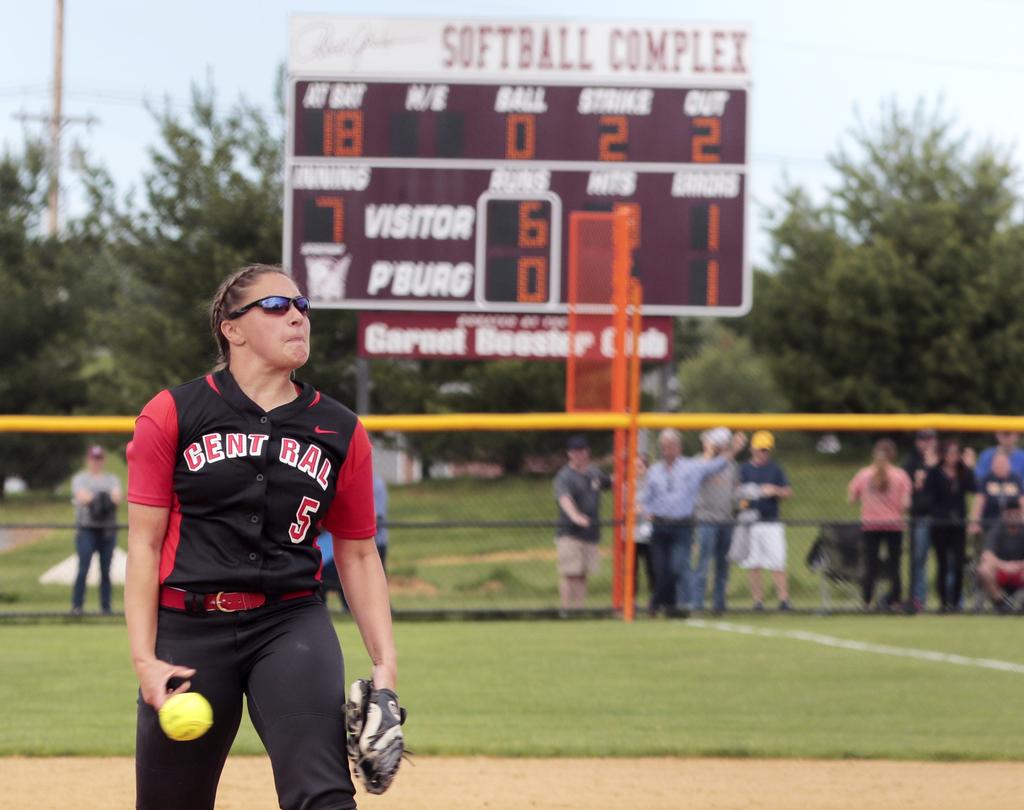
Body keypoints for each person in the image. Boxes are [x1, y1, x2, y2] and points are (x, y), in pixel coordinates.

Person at [125, 264, 397, 810]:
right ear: (233, 328)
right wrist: (144, 660)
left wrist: (385, 668)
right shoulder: (174, 412)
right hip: (189, 629)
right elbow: (144, 545)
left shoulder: (341, 429)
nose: (297, 315)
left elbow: (360, 555)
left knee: (322, 797)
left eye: (303, 306)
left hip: (289, 623)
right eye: (276, 306)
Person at [640, 428, 746, 617]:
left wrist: (734, 449)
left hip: (682, 524)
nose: (667, 450)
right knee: (661, 569)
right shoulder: (655, 470)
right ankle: (670, 607)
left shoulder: (691, 467)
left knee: (678, 566)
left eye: (671, 446)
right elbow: (647, 497)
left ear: (679, 448)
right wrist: (647, 511)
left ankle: (665, 604)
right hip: (660, 524)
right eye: (664, 447)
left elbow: (718, 464)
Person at [847, 439, 912, 611]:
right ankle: (895, 602)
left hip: (870, 526)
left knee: (870, 565)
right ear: (893, 455)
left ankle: (867, 602)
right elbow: (906, 504)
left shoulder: (863, 474)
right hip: (894, 526)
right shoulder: (900, 475)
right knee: (894, 566)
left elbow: (851, 499)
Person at [553, 434, 611, 612]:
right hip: (569, 532)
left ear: (588, 452)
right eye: (575, 451)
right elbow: (564, 498)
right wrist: (575, 516)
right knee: (570, 572)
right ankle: (565, 609)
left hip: (591, 532)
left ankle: (579, 609)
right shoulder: (564, 476)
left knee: (583, 573)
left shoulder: (594, 472)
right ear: (569, 454)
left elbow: (611, 484)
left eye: (582, 451)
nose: (579, 455)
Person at [738, 430, 793, 611]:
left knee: (777, 561)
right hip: (751, 522)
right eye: (760, 449)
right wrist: (746, 495)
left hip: (771, 521)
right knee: (754, 562)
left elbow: (788, 492)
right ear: (752, 449)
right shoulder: (744, 469)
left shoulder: (775, 469)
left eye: (766, 450)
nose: (763, 453)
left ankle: (784, 599)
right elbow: (736, 493)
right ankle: (757, 600)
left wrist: (774, 490)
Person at [924, 437, 977, 612]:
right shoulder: (935, 472)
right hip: (940, 524)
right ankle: (943, 602)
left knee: (959, 563)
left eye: (956, 453)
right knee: (943, 564)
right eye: (949, 453)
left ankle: (955, 602)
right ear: (943, 455)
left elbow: (974, 488)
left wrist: (969, 467)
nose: (953, 457)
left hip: (958, 525)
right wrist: (941, 515)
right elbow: (927, 495)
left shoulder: (963, 473)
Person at [70, 444, 122, 616]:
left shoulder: (112, 478)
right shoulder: (80, 478)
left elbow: (116, 497)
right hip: (87, 529)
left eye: (99, 459)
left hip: (107, 530)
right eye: (94, 459)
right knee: (83, 568)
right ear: (88, 460)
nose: (96, 462)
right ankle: (77, 607)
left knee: (106, 570)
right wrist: (103, 497)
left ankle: (106, 608)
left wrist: (96, 499)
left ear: (104, 460)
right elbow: (83, 497)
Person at [693, 427, 739, 615]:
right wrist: (709, 452)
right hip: (706, 520)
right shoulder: (700, 461)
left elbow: (735, 488)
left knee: (723, 566)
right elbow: (700, 472)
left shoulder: (731, 465)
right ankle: (697, 605)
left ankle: (719, 605)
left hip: (725, 519)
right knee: (703, 564)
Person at [902, 428, 939, 612]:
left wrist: (932, 468)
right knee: (918, 560)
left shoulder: (944, 460)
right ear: (917, 441)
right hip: (920, 517)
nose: (927, 443)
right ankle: (918, 600)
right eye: (923, 439)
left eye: (930, 439)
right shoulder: (911, 462)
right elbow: (905, 488)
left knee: (947, 560)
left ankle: (951, 602)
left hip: (943, 519)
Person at [975, 500, 1024, 612]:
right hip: (1000, 570)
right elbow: (986, 555)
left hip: (1020, 571)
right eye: (1010, 514)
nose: (1013, 517)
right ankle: (1001, 603)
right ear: (1004, 514)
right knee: (983, 569)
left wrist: (1019, 565)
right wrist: (1005, 566)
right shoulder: (996, 530)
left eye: (1016, 514)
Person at [968, 450, 1023, 542]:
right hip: (990, 523)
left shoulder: (1015, 479)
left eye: (1003, 463)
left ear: (1009, 464)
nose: (1000, 466)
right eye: (997, 463)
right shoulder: (986, 479)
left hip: (1012, 525)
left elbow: (1022, 501)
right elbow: (979, 502)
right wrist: (974, 523)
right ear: (992, 465)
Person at [631, 455, 655, 605]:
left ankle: (654, 602)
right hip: (630, 535)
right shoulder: (626, 485)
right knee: (631, 571)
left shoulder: (652, 485)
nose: (637, 470)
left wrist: (645, 510)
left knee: (652, 569)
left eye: (640, 466)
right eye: (634, 467)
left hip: (649, 534)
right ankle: (630, 602)